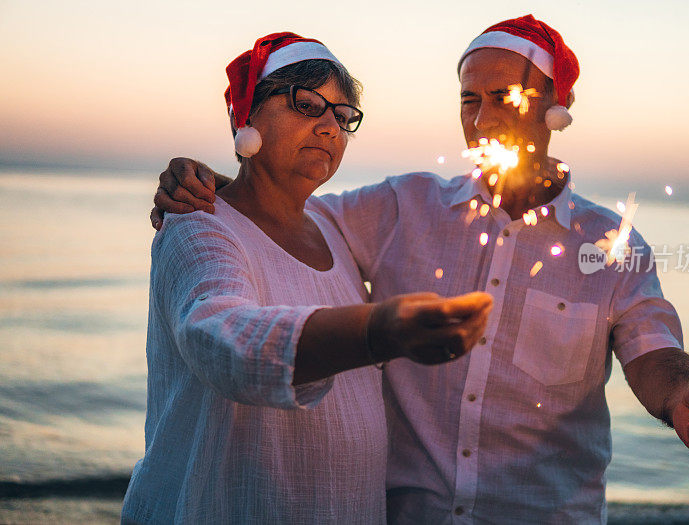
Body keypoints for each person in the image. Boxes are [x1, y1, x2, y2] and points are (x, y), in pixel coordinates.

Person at [152, 16, 689, 524]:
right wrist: (209, 184)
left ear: (557, 108)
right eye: (469, 99)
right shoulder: (398, 208)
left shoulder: (612, 245)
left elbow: (654, 349)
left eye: (505, 97)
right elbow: (280, 212)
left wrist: (685, 394)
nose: (483, 118)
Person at [122, 32, 492, 524]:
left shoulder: (331, 228)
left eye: (342, 117)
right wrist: (378, 330)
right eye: (307, 104)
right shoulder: (197, 225)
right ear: (247, 116)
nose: (329, 128)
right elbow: (223, 341)